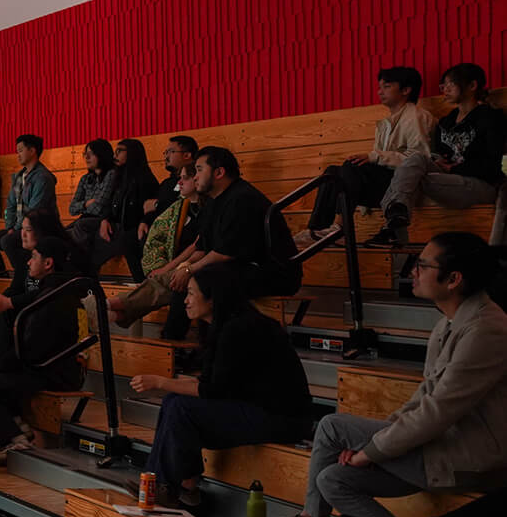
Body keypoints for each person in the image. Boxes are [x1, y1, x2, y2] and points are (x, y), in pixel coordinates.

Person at [267, 234, 507, 517]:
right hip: (437, 448)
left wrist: (370, 452)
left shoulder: (486, 329)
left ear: (453, 279)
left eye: (422, 265)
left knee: (333, 426)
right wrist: (377, 444)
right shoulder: (449, 323)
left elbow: (437, 412)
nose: (413, 272)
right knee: (332, 479)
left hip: (468, 459)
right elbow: (423, 399)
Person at [129, 264, 317, 509]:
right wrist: (170, 385)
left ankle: (178, 487)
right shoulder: (225, 326)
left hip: (282, 418)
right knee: (173, 401)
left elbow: (213, 390)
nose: (185, 300)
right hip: (257, 407)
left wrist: (161, 382)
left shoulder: (240, 328)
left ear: (212, 299)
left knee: (181, 408)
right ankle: (165, 484)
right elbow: (214, 383)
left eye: (191, 293)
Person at [149, 146, 297, 340]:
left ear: (219, 172)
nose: (195, 177)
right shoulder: (214, 201)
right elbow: (203, 248)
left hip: (273, 272)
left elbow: (225, 253)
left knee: (203, 279)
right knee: (195, 276)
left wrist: (189, 270)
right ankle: (181, 342)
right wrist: (184, 266)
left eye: (199, 170)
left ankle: (184, 342)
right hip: (240, 267)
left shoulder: (242, 198)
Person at [298, 67, 432, 251]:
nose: (380, 92)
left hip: (405, 187)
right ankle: (316, 230)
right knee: (332, 173)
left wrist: (373, 157)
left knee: (352, 165)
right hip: (385, 184)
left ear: (406, 90)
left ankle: (339, 229)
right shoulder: (385, 124)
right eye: (380, 87)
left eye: (387, 86)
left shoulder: (417, 117)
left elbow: (420, 159)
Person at [0, 237, 84, 465]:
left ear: (48, 263)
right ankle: (19, 428)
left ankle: (15, 439)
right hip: (49, 367)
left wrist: (2, 366)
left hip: (53, 371)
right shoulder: (55, 289)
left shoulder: (53, 296)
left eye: (34, 257)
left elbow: (34, 347)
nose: (28, 262)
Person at [374, 63, 506, 246]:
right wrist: (439, 160)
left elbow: (492, 166)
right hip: (448, 178)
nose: (445, 89)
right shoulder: (446, 122)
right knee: (415, 160)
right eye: (443, 85)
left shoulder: (490, 118)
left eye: (451, 84)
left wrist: (453, 168)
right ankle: (395, 219)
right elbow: (439, 154)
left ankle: (394, 232)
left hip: (480, 183)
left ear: (472, 85)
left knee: (412, 179)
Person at [110, 164, 201, 328]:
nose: (179, 182)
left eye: (185, 178)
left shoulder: (207, 209)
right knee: (162, 280)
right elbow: (157, 237)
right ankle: (111, 312)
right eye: (179, 178)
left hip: (194, 264)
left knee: (169, 284)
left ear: (197, 180)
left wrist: (166, 268)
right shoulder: (178, 208)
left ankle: (107, 307)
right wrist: (160, 266)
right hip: (177, 264)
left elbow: (197, 247)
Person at [0, 135, 55, 286]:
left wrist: (15, 228)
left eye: (20, 150)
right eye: (17, 151)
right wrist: (10, 226)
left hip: (39, 227)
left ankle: (26, 279)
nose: (18, 155)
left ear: (32, 151)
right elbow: (10, 205)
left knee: (8, 241)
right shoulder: (19, 177)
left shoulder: (43, 177)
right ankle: (1, 278)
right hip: (20, 226)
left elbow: (34, 210)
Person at [105, 138, 160, 282]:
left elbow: (152, 208)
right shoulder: (118, 177)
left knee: (129, 240)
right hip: (119, 228)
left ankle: (142, 283)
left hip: (137, 229)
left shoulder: (145, 178)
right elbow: (110, 204)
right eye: (115, 151)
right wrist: (106, 219)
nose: (115, 155)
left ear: (132, 153)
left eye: (120, 151)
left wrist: (145, 220)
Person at [65, 139, 120, 274]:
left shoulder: (111, 174)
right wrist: (86, 203)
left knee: (80, 226)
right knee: (60, 233)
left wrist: (84, 205)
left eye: (91, 153)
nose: (87, 157)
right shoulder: (86, 179)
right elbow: (72, 209)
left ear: (102, 154)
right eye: (85, 154)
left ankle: (82, 270)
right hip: (86, 217)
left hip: (104, 218)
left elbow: (99, 207)